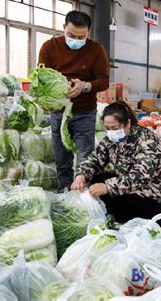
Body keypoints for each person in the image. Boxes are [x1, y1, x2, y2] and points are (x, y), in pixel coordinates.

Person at [71, 101, 161, 228]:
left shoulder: (146, 141)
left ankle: (159, 220)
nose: (110, 132)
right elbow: (95, 159)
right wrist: (81, 176)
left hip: (157, 185)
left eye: (115, 128)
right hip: (127, 181)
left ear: (128, 123)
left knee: (129, 200)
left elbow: (139, 177)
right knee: (97, 179)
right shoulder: (111, 140)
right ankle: (122, 213)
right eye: (107, 129)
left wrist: (108, 187)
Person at [38, 10, 110, 192]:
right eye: (71, 35)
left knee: (85, 156)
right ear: (64, 28)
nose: (76, 40)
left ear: (88, 33)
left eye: (81, 37)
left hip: (85, 112)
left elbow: (103, 81)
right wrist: (51, 98)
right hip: (58, 113)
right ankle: (64, 194)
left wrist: (85, 86)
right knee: (62, 159)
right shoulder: (49, 47)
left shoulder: (96, 50)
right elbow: (40, 78)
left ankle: (85, 196)